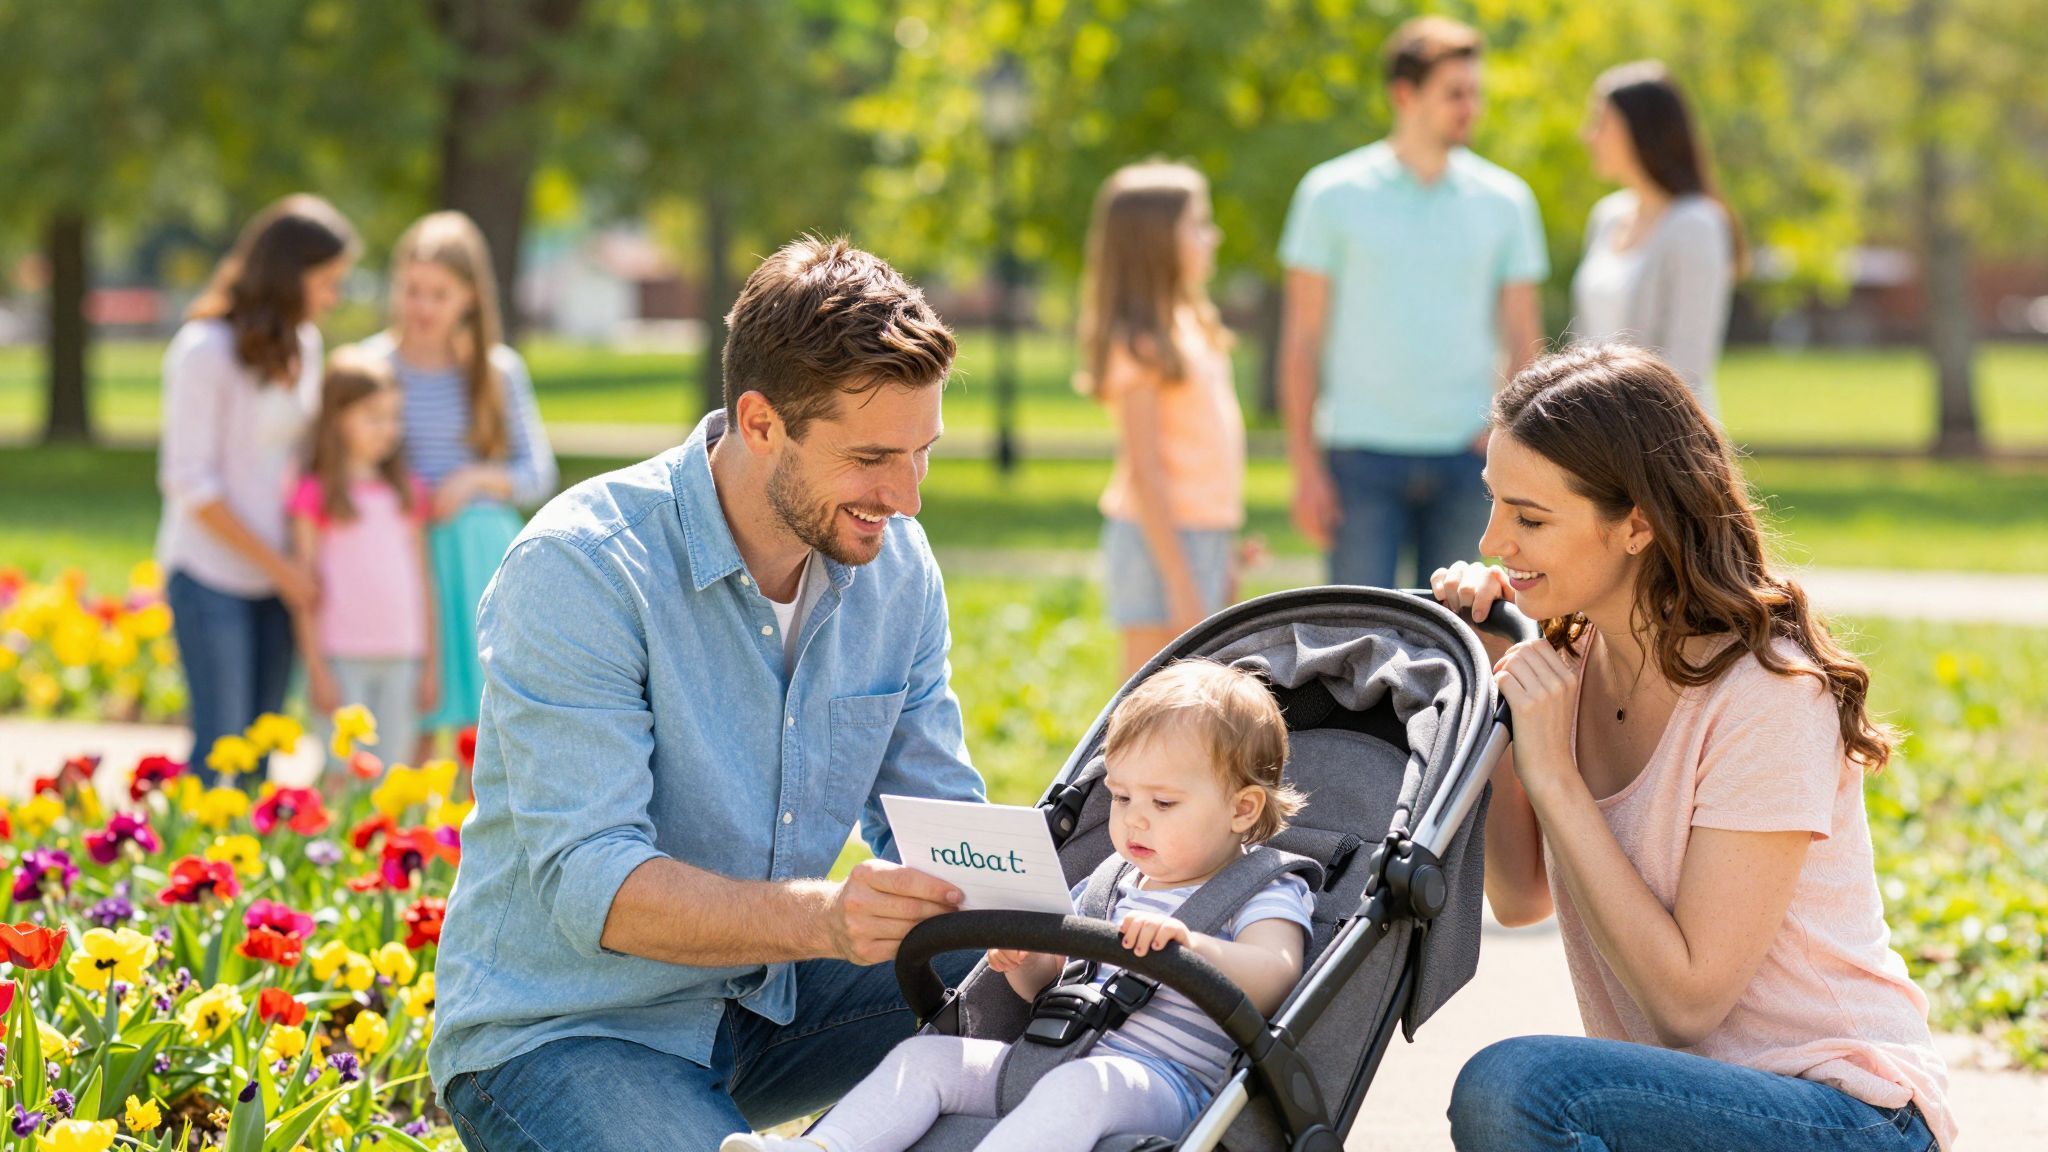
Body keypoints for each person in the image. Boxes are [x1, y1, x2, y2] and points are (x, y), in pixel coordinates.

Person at [430, 237, 988, 1151]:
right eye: (874, 457)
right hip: (571, 1030)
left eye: (923, 453)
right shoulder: (582, 568)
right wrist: (827, 917)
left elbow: (939, 818)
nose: (908, 497)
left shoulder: (895, 568)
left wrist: (1043, 919)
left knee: (1028, 972)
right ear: (761, 422)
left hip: (773, 1006)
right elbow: (594, 887)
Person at [1430, 344, 1954, 1150]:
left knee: (1517, 1087)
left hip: (1852, 1114)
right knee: (1519, 1089)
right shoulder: (1564, 673)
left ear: (1637, 522)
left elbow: (1687, 1003)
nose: (1494, 539)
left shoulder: (1770, 695)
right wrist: (1494, 672)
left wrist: (1558, 779)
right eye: (1495, 502)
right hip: (1690, 1108)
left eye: (1531, 518)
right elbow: (1520, 896)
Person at [722, 659, 1313, 1152]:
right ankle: (824, 1148)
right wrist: (1030, 965)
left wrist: (1191, 946)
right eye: (1122, 795)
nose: (1134, 817)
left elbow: (1276, 977)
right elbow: (1058, 983)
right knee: (926, 1059)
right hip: (1050, 1057)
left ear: (1241, 809)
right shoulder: (1112, 881)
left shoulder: (1264, 887)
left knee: (1082, 1087)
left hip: (1165, 1084)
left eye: (1163, 802)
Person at [1278, 15, 1548, 591]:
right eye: (1454, 93)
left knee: (1464, 641)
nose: (1470, 106)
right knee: (1350, 646)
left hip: (1469, 463)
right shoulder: (1329, 194)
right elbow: (1301, 339)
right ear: (1404, 94)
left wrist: (1511, 443)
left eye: (1474, 92)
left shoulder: (1508, 201)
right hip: (1358, 460)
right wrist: (1304, 469)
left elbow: (1526, 335)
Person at [156, 194, 358, 786]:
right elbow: (189, 482)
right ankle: (195, 871)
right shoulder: (204, 350)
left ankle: (242, 877)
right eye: (328, 281)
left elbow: (301, 462)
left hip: (279, 578)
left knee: (261, 750)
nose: (334, 296)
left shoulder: (307, 346)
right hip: (209, 573)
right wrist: (280, 564)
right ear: (291, 275)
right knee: (222, 746)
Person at [349, 210, 556, 763]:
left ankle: (464, 840)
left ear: (469, 297)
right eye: (412, 290)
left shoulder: (496, 371)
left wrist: (472, 480)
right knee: (412, 712)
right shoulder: (371, 366)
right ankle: (403, 838)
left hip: (480, 557)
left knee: (478, 723)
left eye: (439, 294)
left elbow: (538, 474)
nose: (422, 307)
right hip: (402, 558)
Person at [1077, 161, 1247, 676]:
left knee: (1198, 694)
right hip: (1160, 544)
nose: (1212, 237)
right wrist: (1180, 581)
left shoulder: (1192, 325)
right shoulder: (1141, 345)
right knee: (1147, 700)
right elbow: (1145, 472)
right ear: (1156, 244)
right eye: (1198, 225)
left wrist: (1226, 550)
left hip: (1202, 536)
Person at [286, 352, 437, 779]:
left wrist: (430, 665)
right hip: (339, 658)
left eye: (394, 416)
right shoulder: (314, 494)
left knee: (393, 775)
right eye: (373, 416)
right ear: (336, 418)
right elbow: (304, 588)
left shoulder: (407, 493)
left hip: (402, 656)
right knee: (342, 774)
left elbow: (423, 584)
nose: (388, 429)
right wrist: (315, 667)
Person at [1571, 60, 1744, 413]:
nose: (1588, 135)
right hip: (1595, 441)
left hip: (1664, 445)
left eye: (1601, 122)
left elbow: (1686, 368)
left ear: (1640, 130)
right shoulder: (1606, 217)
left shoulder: (1696, 224)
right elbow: (1582, 345)